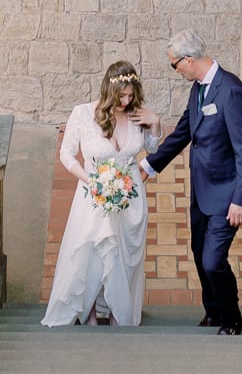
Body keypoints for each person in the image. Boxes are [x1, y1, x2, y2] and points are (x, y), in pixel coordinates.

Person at [140, 28, 242, 336]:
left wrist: (241, 200)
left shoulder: (230, 91)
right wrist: (148, 166)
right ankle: (214, 311)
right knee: (198, 251)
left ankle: (232, 318)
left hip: (227, 195)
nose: (174, 71)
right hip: (201, 193)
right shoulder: (198, 90)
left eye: (174, 64)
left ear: (188, 60)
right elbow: (182, 133)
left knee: (213, 261)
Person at [42, 59, 161, 328]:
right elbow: (66, 154)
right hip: (93, 194)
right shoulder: (83, 113)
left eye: (131, 95)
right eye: (121, 95)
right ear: (109, 90)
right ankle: (91, 314)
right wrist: (92, 181)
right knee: (93, 253)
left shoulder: (136, 115)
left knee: (124, 256)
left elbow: (152, 149)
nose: (126, 100)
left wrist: (155, 122)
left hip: (129, 197)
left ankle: (121, 313)